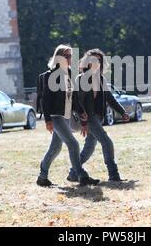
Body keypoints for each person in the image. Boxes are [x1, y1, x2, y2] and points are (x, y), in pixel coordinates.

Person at [37, 44, 100, 187]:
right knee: (73, 144)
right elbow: (45, 100)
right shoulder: (52, 75)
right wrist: (47, 119)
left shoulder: (70, 73)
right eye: (66, 56)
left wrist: (80, 111)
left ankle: (42, 177)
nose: (70, 58)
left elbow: (74, 97)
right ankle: (81, 175)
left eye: (70, 55)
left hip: (66, 116)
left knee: (55, 148)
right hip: (55, 116)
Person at [67, 49, 130, 183]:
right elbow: (77, 101)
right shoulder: (82, 78)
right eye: (93, 60)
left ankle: (73, 173)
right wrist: (83, 122)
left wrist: (122, 111)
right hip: (88, 118)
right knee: (107, 142)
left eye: (99, 60)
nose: (97, 63)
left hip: (98, 117)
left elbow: (110, 98)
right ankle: (114, 174)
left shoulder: (101, 79)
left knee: (89, 147)